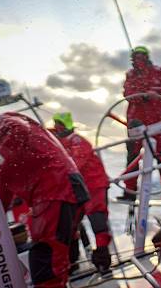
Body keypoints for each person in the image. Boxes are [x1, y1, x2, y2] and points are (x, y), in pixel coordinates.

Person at [0, 106, 90, 288]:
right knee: (53, 260)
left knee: (45, 262)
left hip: (55, 191)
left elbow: (19, 132)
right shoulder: (3, 143)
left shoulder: (3, 123)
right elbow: (4, 185)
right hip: (63, 190)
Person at [119, 46, 161, 201]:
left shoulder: (159, 71)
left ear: (147, 57)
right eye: (136, 56)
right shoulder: (130, 75)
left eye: (142, 56)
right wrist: (143, 95)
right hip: (136, 124)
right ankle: (130, 192)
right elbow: (128, 94)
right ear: (132, 59)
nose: (139, 59)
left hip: (156, 122)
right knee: (133, 157)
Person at [50, 112, 112, 272]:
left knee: (97, 220)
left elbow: (76, 164)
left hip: (93, 185)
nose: (58, 127)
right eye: (56, 124)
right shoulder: (61, 143)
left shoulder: (76, 141)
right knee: (70, 224)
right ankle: (72, 260)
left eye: (60, 124)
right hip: (78, 189)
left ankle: (103, 258)